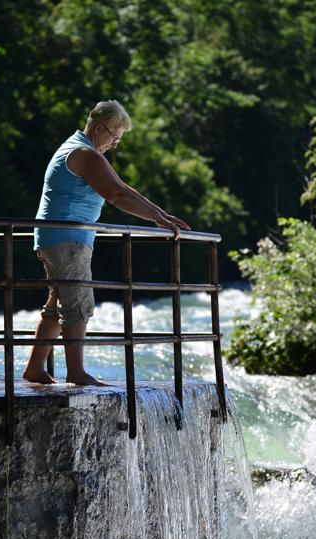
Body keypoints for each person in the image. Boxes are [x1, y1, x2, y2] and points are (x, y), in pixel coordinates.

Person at [22, 100, 190, 385]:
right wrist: (157, 219)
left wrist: (159, 214)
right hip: (68, 239)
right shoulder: (85, 153)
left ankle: (35, 368)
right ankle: (76, 373)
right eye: (115, 137)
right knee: (79, 303)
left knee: (57, 305)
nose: (115, 144)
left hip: (56, 236)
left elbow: (122, 187)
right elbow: (116, 196)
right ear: (99, 128)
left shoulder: (77, 148)